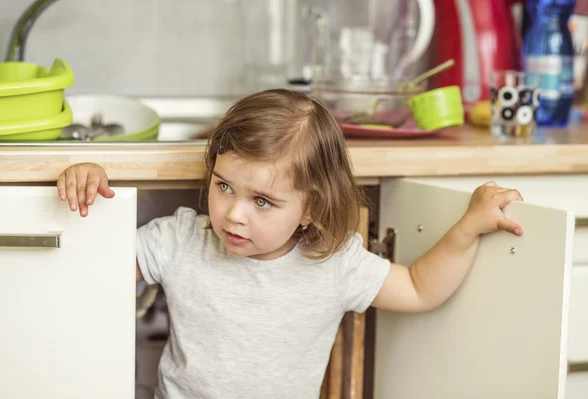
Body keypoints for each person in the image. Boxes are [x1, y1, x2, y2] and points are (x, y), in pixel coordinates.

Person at [56, 89, 523, 399]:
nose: (234, 213)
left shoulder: (334, 264)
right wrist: (89, 189)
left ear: (312, 209)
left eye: (262, 200)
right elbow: (90, 270)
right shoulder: (181, 239)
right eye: (224, 187)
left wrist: (468, 228)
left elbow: (421, 288)